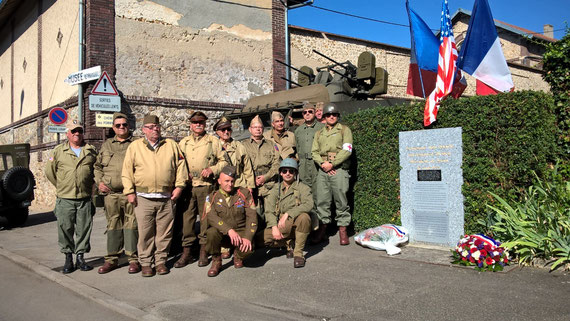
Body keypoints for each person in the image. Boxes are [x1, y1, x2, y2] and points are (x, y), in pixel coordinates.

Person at [122, 114, 188, 277]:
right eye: (151, 127)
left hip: (166, 198)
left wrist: (179, 186)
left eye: (157, 127)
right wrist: (129, 191)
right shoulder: (135, 147)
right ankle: (145, 263)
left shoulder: (171, 145)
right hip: (143, 198)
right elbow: (127, 171)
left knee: (164, 233)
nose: (155, 130)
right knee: (145, 233)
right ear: (144, 130)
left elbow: (181, 167)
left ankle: (160, 262)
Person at [45, 119, 97, 274]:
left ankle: (80, 257)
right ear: (67, 134)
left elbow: (96, 172)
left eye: (79, 131)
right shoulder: (58, 151)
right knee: (65, 229)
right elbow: (50, 172)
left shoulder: (90, 150)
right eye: (73, 131)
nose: (77, 134)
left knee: (84, 229)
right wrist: (62, 186)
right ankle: (68, 257)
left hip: (84, 198)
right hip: (65, 199)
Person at [175, 111, 226, 268]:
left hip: (205, 186)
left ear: (205, 124)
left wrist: (212, 169)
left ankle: (204, 251)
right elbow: (177, 162)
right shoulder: (183, 143)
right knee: (187, 220)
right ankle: (187, 252)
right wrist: (183, 174)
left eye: (201, 122)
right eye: (196, 122)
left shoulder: (213, 142)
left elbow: (224, 161)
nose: (198, 125)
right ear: (190, 125)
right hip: (188, 187)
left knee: (205, 220)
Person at [94, 113, 140, 274]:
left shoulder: (136, 144)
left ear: (129, 126)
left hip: (130, 193)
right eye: (118, 125)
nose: (122, 127)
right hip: (111, 194)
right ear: (113, 128)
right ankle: (111, 259)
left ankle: (133, 259)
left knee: (131, 225)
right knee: (113, 224)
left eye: (124, 125)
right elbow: (97, 166)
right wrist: (99, 182)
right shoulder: (107, 145)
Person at [311, 103, 353, 245]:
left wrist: (332, 164)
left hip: (339, 169)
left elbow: (347, 150)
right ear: (324, 117)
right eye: (328, 115)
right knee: (322, 201)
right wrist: (324, 165)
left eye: (334, 114)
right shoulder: (319, 133)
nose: (331, 117)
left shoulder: (344, 130)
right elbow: (314, 152)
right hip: (323, 170)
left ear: (337, 116)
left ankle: (343, 230)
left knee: (341, 200)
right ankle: (322, 230)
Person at [213, 116, 255, 259]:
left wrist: (250, 186)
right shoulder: (213, 146)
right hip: (221, 187)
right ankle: (225, 245)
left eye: (229, 129)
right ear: (217, 132)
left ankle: (239, 244)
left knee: (239, 216)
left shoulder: (239, 146)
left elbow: (247, 167)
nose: (226, 132)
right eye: (223, 129)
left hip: (238, 185)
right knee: (222, 214)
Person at [204, 166, 257, 277]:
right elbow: (211, 217)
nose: (230, 184)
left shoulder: (243, 193)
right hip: (223, 234)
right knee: (211, 233)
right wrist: (228, 230)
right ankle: (216, 261)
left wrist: (248, 237)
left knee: (249, 245)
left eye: (232, 181)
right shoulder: (211, 197)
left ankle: (238, 255)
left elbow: (252, 216)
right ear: (219, 181)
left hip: (240, 231)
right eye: (226, 181)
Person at [261, 158, 313, 268]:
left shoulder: (302, 187)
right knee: (261, 239)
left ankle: (298, 254)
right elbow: (269, 210)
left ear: (295, 173)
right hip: (281, 225)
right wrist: (274, 227)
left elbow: (309, 204)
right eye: (285, 171)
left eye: (291, 171)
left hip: (295, 223)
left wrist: (288, 214)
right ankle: (288, 244)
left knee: (304, 217)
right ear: (280, 173)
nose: (288, 174)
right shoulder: (276, 189)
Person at [242, 115, 280, 219]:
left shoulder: (271, 145)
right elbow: (241, 165)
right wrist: (251, 180)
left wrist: (265, 177)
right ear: (250, 129)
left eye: (260, 127)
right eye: (255, 127)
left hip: (269, 184)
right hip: (252, 185)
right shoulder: (243, 145)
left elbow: (277, 164)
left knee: (271, 213)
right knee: (255, 215)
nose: (258, 129)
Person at [294, 101, 325, 232]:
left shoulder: (321, 129)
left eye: (310, 112)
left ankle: (321, 226)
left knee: (319, 194)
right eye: (305, 112)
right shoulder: (299, 130)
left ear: (314, 112)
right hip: (303, 165)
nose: (307, 114)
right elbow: (297, 148)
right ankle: (309, 225)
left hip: (316, 164)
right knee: (306, 194)